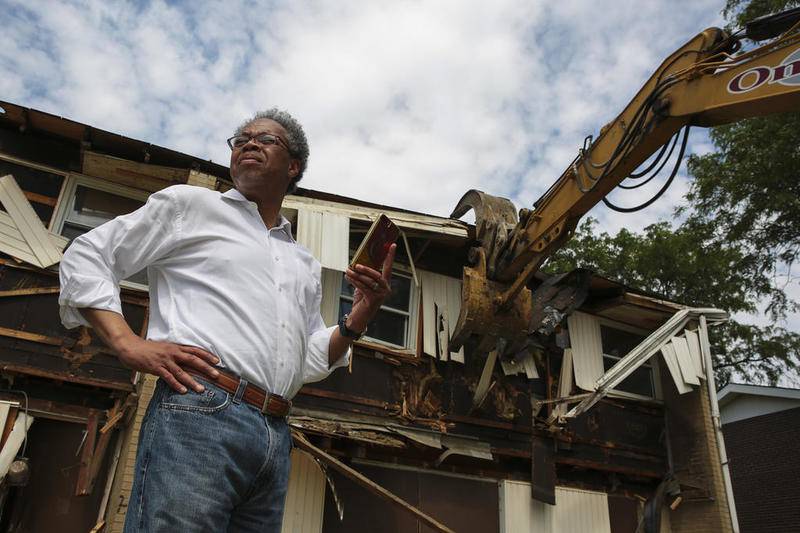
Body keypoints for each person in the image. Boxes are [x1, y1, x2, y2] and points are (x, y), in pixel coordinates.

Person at [58, 108, 396, 532]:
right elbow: (88, 256)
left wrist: (362, 313)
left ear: (294, 166)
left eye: (265, 139)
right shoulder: (190, 205)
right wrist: (127, 342)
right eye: (241, 139)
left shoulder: (302, 262)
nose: (249, 143)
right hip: (200, 409)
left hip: (275, 432)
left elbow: (306, 358)